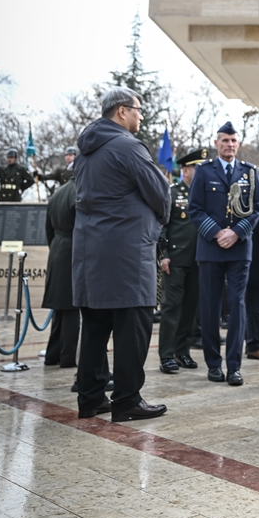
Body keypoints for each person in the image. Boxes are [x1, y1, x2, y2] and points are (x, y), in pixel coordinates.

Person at [73, 88, 171, 421]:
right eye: (138, 110)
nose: (141, 116)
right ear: (121, 112)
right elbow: (159, 192)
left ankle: (90, 398)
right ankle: (127, 400)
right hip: (127, 253)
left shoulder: (87, 150)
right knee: (134, 326)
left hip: (91, 252)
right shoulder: (127, 146)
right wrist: (159, 220)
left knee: (96, 328)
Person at [187, 121, 259, 386]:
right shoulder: (203, 171)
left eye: (233, 141)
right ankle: (213, 364)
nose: (229, 145)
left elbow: (258, 208)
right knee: (210, 307)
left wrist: (237, 232)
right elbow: (194, 209)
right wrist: (218, 232)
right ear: (216, 143)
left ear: (238, 143)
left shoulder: (250, 172)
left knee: (238, 306)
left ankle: (234, 366)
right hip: (210, 248)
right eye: (224, 140)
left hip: (240, 249)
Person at [157, 146, 208, 374]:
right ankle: (167, 355)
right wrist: (164, 255)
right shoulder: (172, 192)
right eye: (197, 167)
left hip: (198, 259)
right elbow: (161, 225)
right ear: (186, 170)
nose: (201, 171)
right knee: (171, 308)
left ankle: (182, 351)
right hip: (175, 259)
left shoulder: (204, 193)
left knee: (190, 308)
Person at [42, 178, 79, 368]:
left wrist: (56, 246)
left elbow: (48, 228)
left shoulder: (57, 193)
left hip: (57, 249)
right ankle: (67, 358)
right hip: (73, 251)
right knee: (72, 309)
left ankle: (52, 355)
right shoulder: (80, 192)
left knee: (59, 310)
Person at [244, 162, 259, 361]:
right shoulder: (257, 200)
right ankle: (253, 344)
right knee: (255, 307)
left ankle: (257, 341)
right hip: (255, 264)